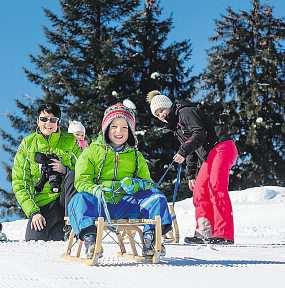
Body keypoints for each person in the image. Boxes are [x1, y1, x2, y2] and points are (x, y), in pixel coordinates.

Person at [67, 103, 172, 258]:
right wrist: (95, 189)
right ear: (106, 128)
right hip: (100, 202)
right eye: (114, 126)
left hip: (126, 203)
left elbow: (148, 183)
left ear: (130, 131)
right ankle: (91, 240)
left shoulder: (136, 156)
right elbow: (81, 180)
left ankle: (150, 239)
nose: (119, 132)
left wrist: (136, 184)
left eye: (125, 127)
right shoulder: (91, 152)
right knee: (77, 200)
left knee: (157, 198)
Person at [147, 91, 238, 245]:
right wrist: (191, 175)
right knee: (199, 190)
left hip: (222, 146)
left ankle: (224, 233)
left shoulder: (185, 111)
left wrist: (183, 151)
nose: (161, 115)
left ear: (168, 105)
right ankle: (204, 230)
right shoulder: (176, 126)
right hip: (209, 155)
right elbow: (192, 151)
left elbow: (199, 134)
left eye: (161, 110)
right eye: (157, 114)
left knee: (216, 186)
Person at [12, 103, 81, 241]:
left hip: (63, 203)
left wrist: (65, 170)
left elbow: (83, 171)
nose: (48, 123)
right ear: (38, 121)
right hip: (42, 206)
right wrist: (33, 212)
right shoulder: (28, 144)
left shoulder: (70, 141)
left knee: (73, 174)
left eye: (53, 119)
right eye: (44, 119)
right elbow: (20, 182)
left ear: (58, 122)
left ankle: (71, 224)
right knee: (34, 243)